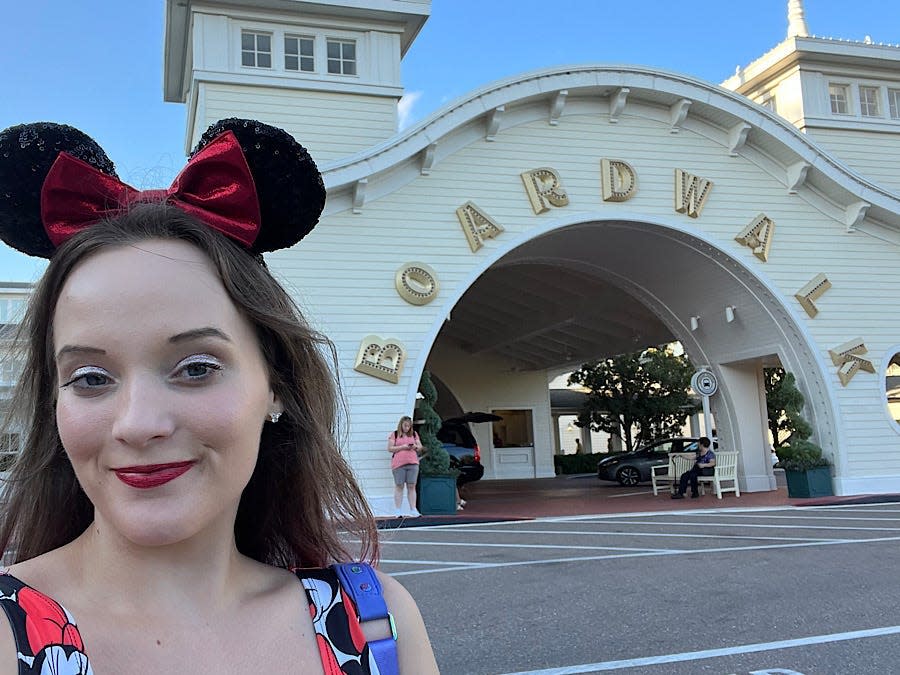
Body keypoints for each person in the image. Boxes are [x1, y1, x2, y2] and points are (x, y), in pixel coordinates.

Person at [0, 119, 439, 674]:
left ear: (277, 386)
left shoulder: (377, 628)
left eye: (196, 368)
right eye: (90, 377)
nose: (137, 424)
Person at [388, 416, 423, 517]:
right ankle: (398, 510)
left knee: (411, 486)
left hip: (412, 462)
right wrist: (403, 447)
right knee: (399, 486)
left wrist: (415, 447)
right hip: (399, 464)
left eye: (409, 426)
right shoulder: (395, 434)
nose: (407, 428)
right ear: (401, 425)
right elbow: (390, 448)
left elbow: (420, 447)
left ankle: (413, 509)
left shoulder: (414, 434)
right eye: (405, 425)